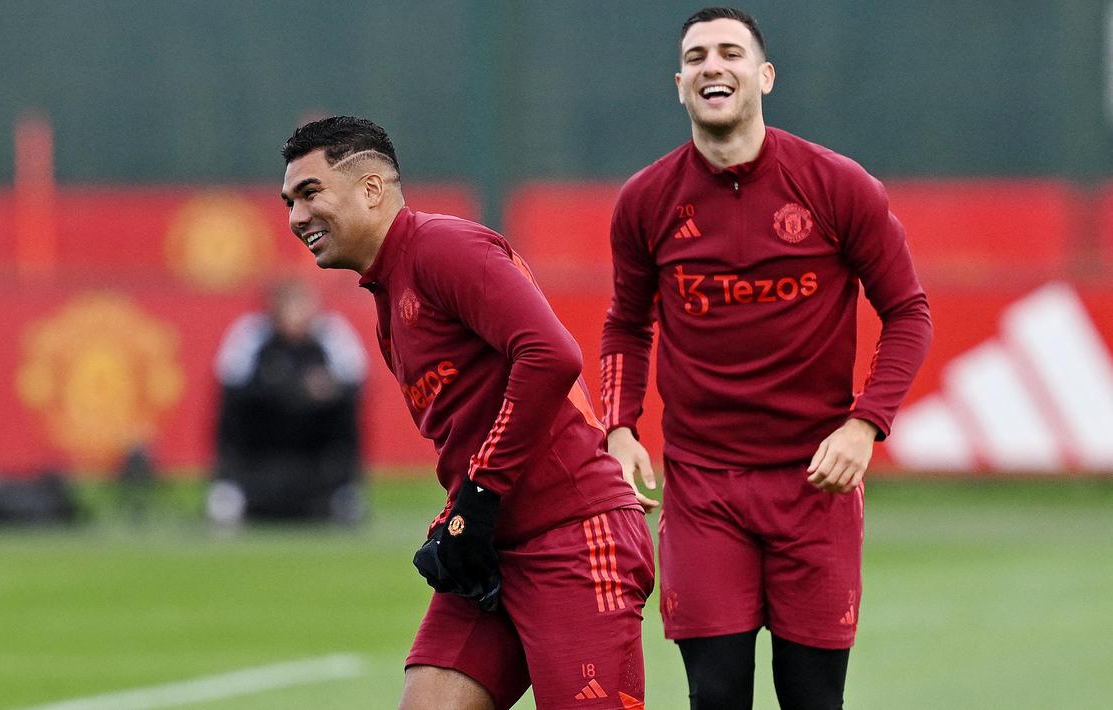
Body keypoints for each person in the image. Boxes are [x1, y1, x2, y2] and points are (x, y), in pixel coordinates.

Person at [600, 8, 932, 709]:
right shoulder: (644, 201)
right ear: (679, 83)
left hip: (816, 489)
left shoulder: (837, 186)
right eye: (695, 57)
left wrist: (863, 426)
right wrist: (619, 427)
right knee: (715, 696)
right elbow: (625, 325)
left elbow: (907, 313)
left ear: (764, 75)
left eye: (729, 52)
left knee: (812, 699)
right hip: (702, 490)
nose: (711, 66)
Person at [281, 116, 655, 710]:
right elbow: (482, 417)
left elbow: (551, 355)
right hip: (493, 548)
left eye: (310, 193)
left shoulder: (441, 246)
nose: (297, 217)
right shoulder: (388, 291)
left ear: (372, 188)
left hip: (573, 541)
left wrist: (481, 495)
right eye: (290, 201)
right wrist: (463, 513)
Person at [209, 279, 367, 524]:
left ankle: (344, 491)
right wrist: (292, 388)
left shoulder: (331, 334)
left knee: (348, 414)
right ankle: (229, 489)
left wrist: (326, 389)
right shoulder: (251, 334)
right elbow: (231, 386)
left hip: (313, 444)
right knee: (228, 414)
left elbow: (355, 383)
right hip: (262, 445)